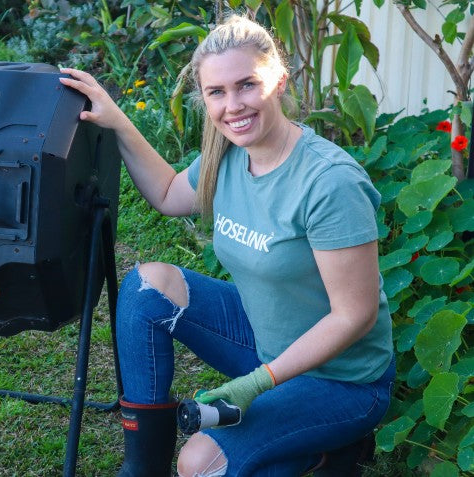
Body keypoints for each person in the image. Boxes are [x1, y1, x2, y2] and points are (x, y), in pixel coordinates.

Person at [59, 14, 394, 477]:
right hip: (264, 341)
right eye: (217, 92)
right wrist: (117, 121)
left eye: (247, 85)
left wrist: (258, 384)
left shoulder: (328, 183)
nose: (233, 105)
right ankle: (142, 468)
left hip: (342, 381)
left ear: (278, 80)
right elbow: (167, 194)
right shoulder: (230, 157)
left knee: (201, 462)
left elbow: (355, 315)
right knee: (146, 288)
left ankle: (332, 453)